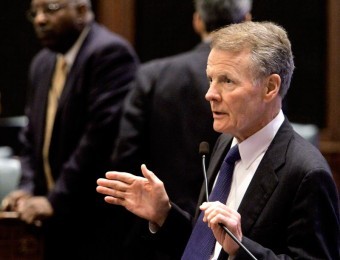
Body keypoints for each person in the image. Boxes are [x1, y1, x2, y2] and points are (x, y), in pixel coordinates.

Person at [97, 21, 340, 259]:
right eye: (211, 78)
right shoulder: (226, 142)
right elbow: (206, 248)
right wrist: (164, 214)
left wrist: (241, 247)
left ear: (270, 87)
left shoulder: (307, 173)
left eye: (227, 81)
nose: (210, 94)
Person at [1, 0, 139, 259]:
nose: (40, 20)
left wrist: (55, 200)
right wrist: (28, 187)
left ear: (82, 11)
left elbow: (98, 141)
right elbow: (30, 136)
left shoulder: (109, 53)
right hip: (52, 221)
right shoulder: (42, 62)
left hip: (94, 219)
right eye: (35, 12)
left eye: (51, 9)